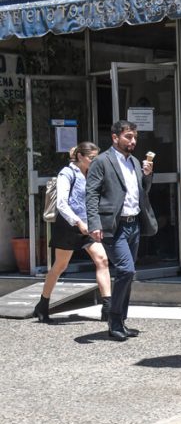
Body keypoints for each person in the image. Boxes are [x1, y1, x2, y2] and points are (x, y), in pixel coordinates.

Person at [86, 120, 157, 341]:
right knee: (126, 270)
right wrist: (94, 224)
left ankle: (121, 322)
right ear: (115, 137)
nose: (133, 141)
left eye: (134, 137)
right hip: (113, 226)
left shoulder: (135, 162)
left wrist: (147, 175)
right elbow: (91, 194)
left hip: (133, 223)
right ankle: (113, 319)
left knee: (129, 273)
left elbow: (143, 191)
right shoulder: (101, 161)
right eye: (128, 136)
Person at [33, 142, 112, 323]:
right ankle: (43, 304)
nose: (94, 162)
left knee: (102, 259)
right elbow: (61, 203)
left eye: (96, 158)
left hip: (88, 225)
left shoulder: (92, 174)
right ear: (80, 157)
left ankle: (107, 308)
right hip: (69, 225)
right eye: (91, 158)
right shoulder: (66, 173)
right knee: (60, 266)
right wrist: (77, 221)